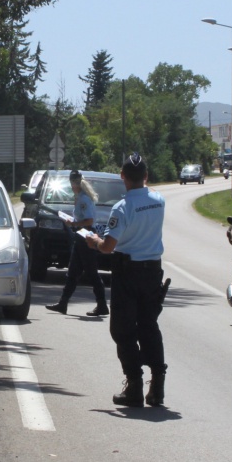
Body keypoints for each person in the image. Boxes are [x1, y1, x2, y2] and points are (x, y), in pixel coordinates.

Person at [84, 153, 168, 407]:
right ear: (146, 176)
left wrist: (94, 242)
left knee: (122, 330)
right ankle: (158, 386)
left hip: (128, 271)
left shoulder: (122, 208)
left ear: (122, 177)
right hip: (152, 271)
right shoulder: (159, 200)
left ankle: (134, 386)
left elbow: (108, 247)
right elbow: (149, 191)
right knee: (149, 326)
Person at [46, 170, 108, 317]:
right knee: (73, 272)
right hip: (81, 236)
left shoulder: (84, 199)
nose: (71, 185)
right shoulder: (80, 197)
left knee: (92, 273)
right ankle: (63, 303)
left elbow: (89, 221)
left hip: (86, 235)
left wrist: (73, 223)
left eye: (72, 182)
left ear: (74, 183)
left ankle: (102, 305)